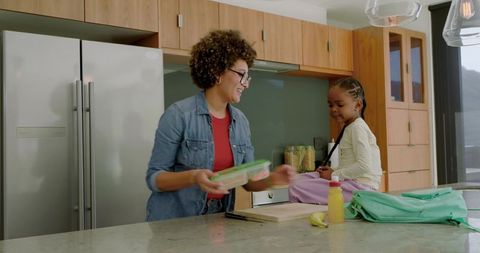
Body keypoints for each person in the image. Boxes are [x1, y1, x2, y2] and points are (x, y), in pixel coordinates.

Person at [146, 30, 296, 221]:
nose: (246, 84)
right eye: (241, 74)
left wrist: (274, 179)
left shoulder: (240, 121)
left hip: (218, 218)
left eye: (247, 77)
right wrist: (193, 177)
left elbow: (248, 182)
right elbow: (154, 178)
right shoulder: (179, 115)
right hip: (175, 219)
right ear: (217, 72)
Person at [289, 77, 382, 204]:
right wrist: (332, 170)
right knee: (295, 179)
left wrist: (334, 174)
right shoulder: (350, 127)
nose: (333, 109)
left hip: (362, 189)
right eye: (330, 105)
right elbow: (350, 164)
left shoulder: (357, 128)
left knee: (296, 187)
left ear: (358, 105)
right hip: (352, 184)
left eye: (340, 104)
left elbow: (364, 166)